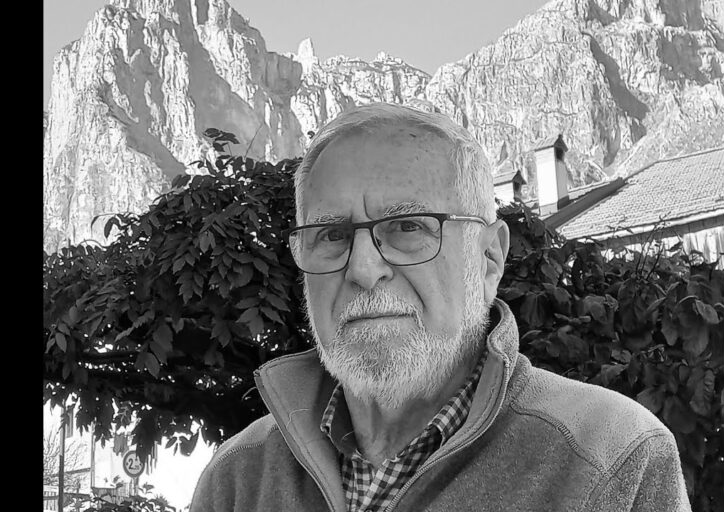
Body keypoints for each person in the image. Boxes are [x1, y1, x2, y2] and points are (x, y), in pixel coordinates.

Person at [190, 103, 691, 511]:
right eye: (332, 235)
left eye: (408, 227)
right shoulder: (237, 480)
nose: (363, 269)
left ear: (489, 258)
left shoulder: (612, 459)